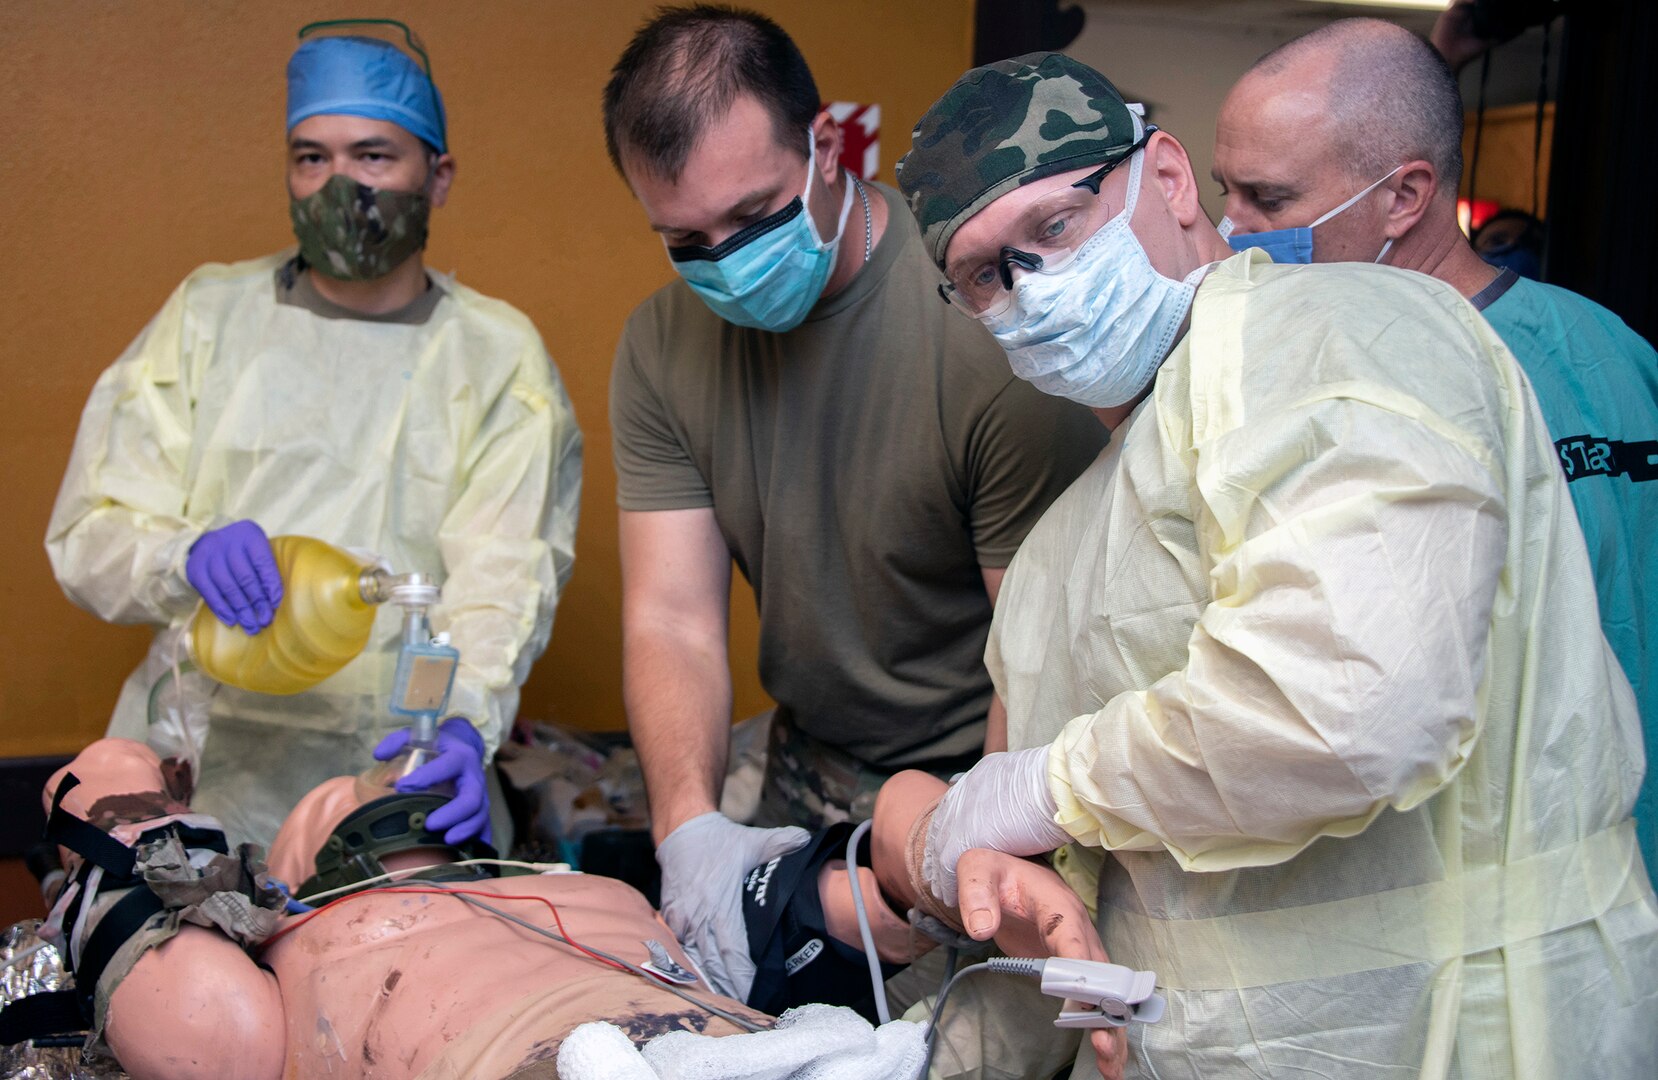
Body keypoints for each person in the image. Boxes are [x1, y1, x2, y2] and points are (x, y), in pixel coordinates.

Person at [895, 51, 1658, 1079]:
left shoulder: (1340, 337)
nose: (1033, 289)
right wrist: (979, 856)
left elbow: (1347, 705)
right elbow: (1052, 868)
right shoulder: (1059, 550)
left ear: (1166, 180)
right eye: (985, 274)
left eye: (1054, 228)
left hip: (1474, 1035)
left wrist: (1050, 783)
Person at [601, 4, 1107, 1003]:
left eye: (752, 217)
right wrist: (692, 834)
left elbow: (1040, 650)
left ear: (826, 145)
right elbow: (672, 618)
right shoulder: (660, 348)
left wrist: (936, 865)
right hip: (805, 772)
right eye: (685, 239)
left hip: (977, 785)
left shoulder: (981, 328)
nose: (724, 261)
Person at [44, 25, 582, 851]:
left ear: (437, 177)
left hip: (392, 773)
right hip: (192, 770)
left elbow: (502, 581)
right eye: (311, 158)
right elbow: (89, 534)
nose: (340, 185)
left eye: (373, 157)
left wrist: (462, 726)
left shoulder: (495, 357)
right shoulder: (209, 319)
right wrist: (181, 556)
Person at [1211, 18, 1658, 887]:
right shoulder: (1609, 343)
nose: (1231, 231)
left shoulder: (1389, 388)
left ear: (1405, 196)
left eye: (1267, 201)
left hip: (1523, 872)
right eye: (1225, 190)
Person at [12, 737, 1100, 1080]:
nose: (371, 792)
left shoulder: (600, 891)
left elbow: (877, 886)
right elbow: (191, 1015)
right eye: (344, 802)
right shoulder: (296, 959)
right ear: (272, 879)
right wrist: (119, 821)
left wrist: (945, 851)